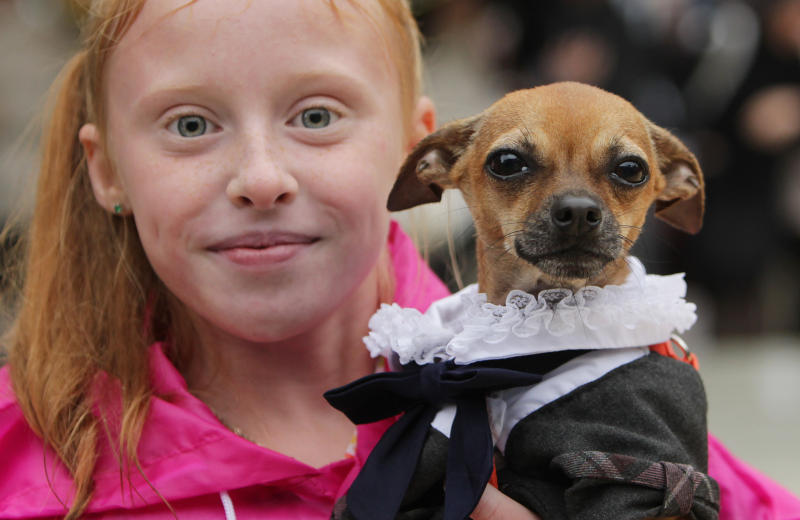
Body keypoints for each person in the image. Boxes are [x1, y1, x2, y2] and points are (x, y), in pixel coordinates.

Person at [0, 0, 796, 519]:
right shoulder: (23, 456)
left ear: (414, 148)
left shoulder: (609, 369)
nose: (261, 179)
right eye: (187, 125)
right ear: (106, 170)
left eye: (316, 114)